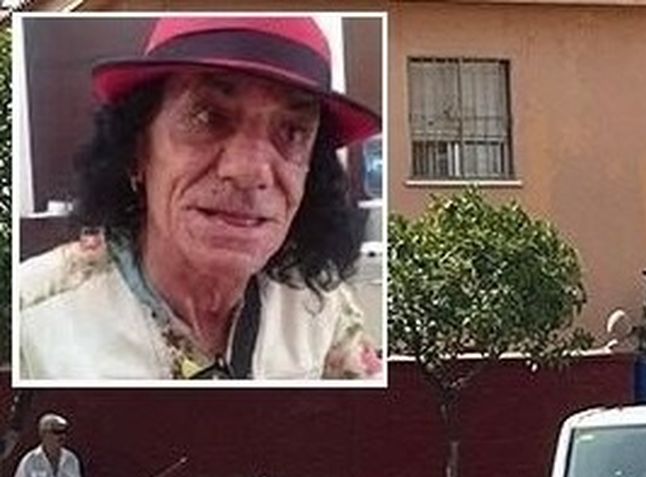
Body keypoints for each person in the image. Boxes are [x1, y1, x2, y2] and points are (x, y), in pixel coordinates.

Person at [16, 16, 384, 381]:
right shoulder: (32, 320)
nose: (250, 171)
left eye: (292, 131)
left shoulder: (320, 308)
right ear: (136, 150)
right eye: (208, 116)